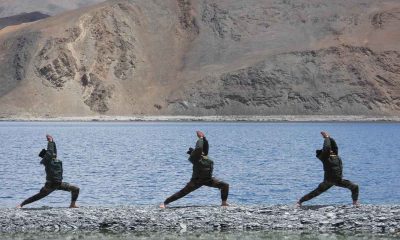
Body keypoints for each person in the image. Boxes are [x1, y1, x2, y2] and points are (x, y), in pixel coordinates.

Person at [160, 131, 229, 208]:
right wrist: (200, 138)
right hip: (196, 181)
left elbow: (204, 148)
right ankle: (165, 203)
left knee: (225, 185)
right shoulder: (194, 158)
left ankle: (224, 203)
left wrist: (204, 138)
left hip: (208, 179)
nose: (202, 152)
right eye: (199, 152)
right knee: (182, 192)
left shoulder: (204, 156)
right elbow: (199, 148)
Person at [297, 131, 359, 207]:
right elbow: (327, 148)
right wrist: (326, 138)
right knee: (316, 193)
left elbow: (335, 147)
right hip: (328, 181)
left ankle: (355, 202)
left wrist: (330, 138)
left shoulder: (334, 155)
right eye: (330, 150)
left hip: (339, 180)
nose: (331, 150)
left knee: (355, 187)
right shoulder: (325, 157)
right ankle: (300, 201)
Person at [17, 134, 80, 208]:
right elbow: (50, 152)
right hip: (50, 185)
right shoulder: (46, 160)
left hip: (59, 184)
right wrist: (50, 142)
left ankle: (72, 204)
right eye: (48, 153)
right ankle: (21, 205)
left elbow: (53, 152)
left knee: (76, 189)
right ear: (46, 156)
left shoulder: (53, 159)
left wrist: (53, 141)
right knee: (38, 196)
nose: (52, 154)